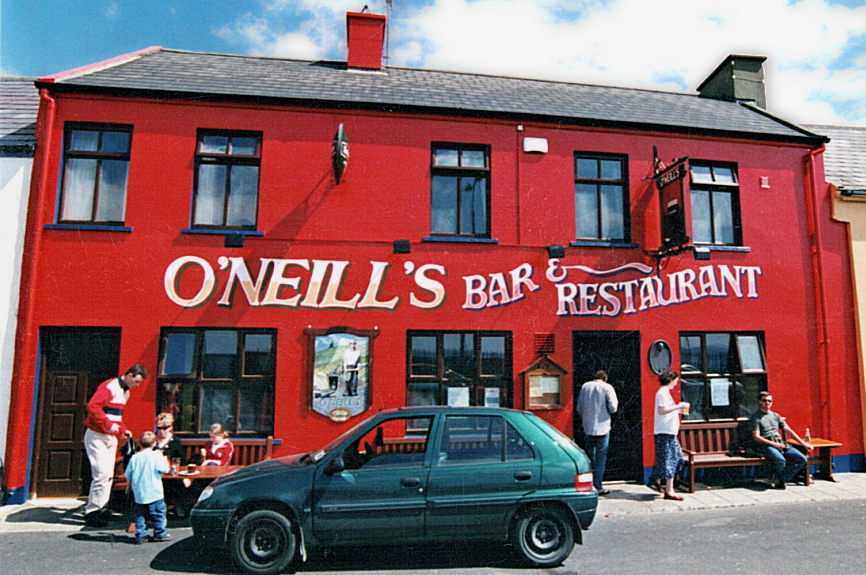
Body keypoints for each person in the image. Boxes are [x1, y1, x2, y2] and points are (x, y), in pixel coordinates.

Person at [83, 364, 147, 527]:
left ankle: (102, 508)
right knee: (101, 474)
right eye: (137, 381)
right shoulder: (110, 386)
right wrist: (107, 424)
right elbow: (93, 406)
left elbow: (116, 416)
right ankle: (92, 512)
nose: (137, 385)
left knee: (108, 474)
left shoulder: (126, 392)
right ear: (130, 375)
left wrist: (123, 429)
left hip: (110, 436)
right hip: (97, 435)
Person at [750, 391, 813, 489]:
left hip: (780, 444)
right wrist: (774, 444)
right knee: (780, 460)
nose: (767, 403)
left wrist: (803, 444)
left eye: (769, 401)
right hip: (766, 445)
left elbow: (788, 430)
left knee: (802, 459)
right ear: (759, 402)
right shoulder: (756, 417)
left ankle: (780, 479)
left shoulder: (776, 416)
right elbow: (757, 437)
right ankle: (779, 480)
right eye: (764, 400)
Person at [648, 369, 689, 501]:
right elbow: (662, 410)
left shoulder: (665, 393)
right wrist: (678, 406)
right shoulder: (662, 392)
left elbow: (666, 410)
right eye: (676, 380)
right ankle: (669, 490)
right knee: (672, 459)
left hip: (669, 432)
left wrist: (678, 409)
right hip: (665, 432)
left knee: (674, 458)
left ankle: (656, 478)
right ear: (670, 379)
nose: (677, 383)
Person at [576, 370, 618, 495]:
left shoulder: (585, 386)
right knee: (601, 457)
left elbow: (579, 408)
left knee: (590, 456)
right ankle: (598, 485)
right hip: (603, 426)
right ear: (605, 379)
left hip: (588, 426)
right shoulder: (607, 387)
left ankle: (588, 484)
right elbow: (613, 407)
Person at [124, 431, 171, 544]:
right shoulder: (156, 455)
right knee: (158, 514)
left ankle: (141, 535)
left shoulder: (134, 458)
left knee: (140, 515)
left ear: (139, 443)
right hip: (155, 491)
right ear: (154, 443)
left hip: (139, 492)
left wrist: (128, 487)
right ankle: (159, 533)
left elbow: (129, 475)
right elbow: (165, 469)